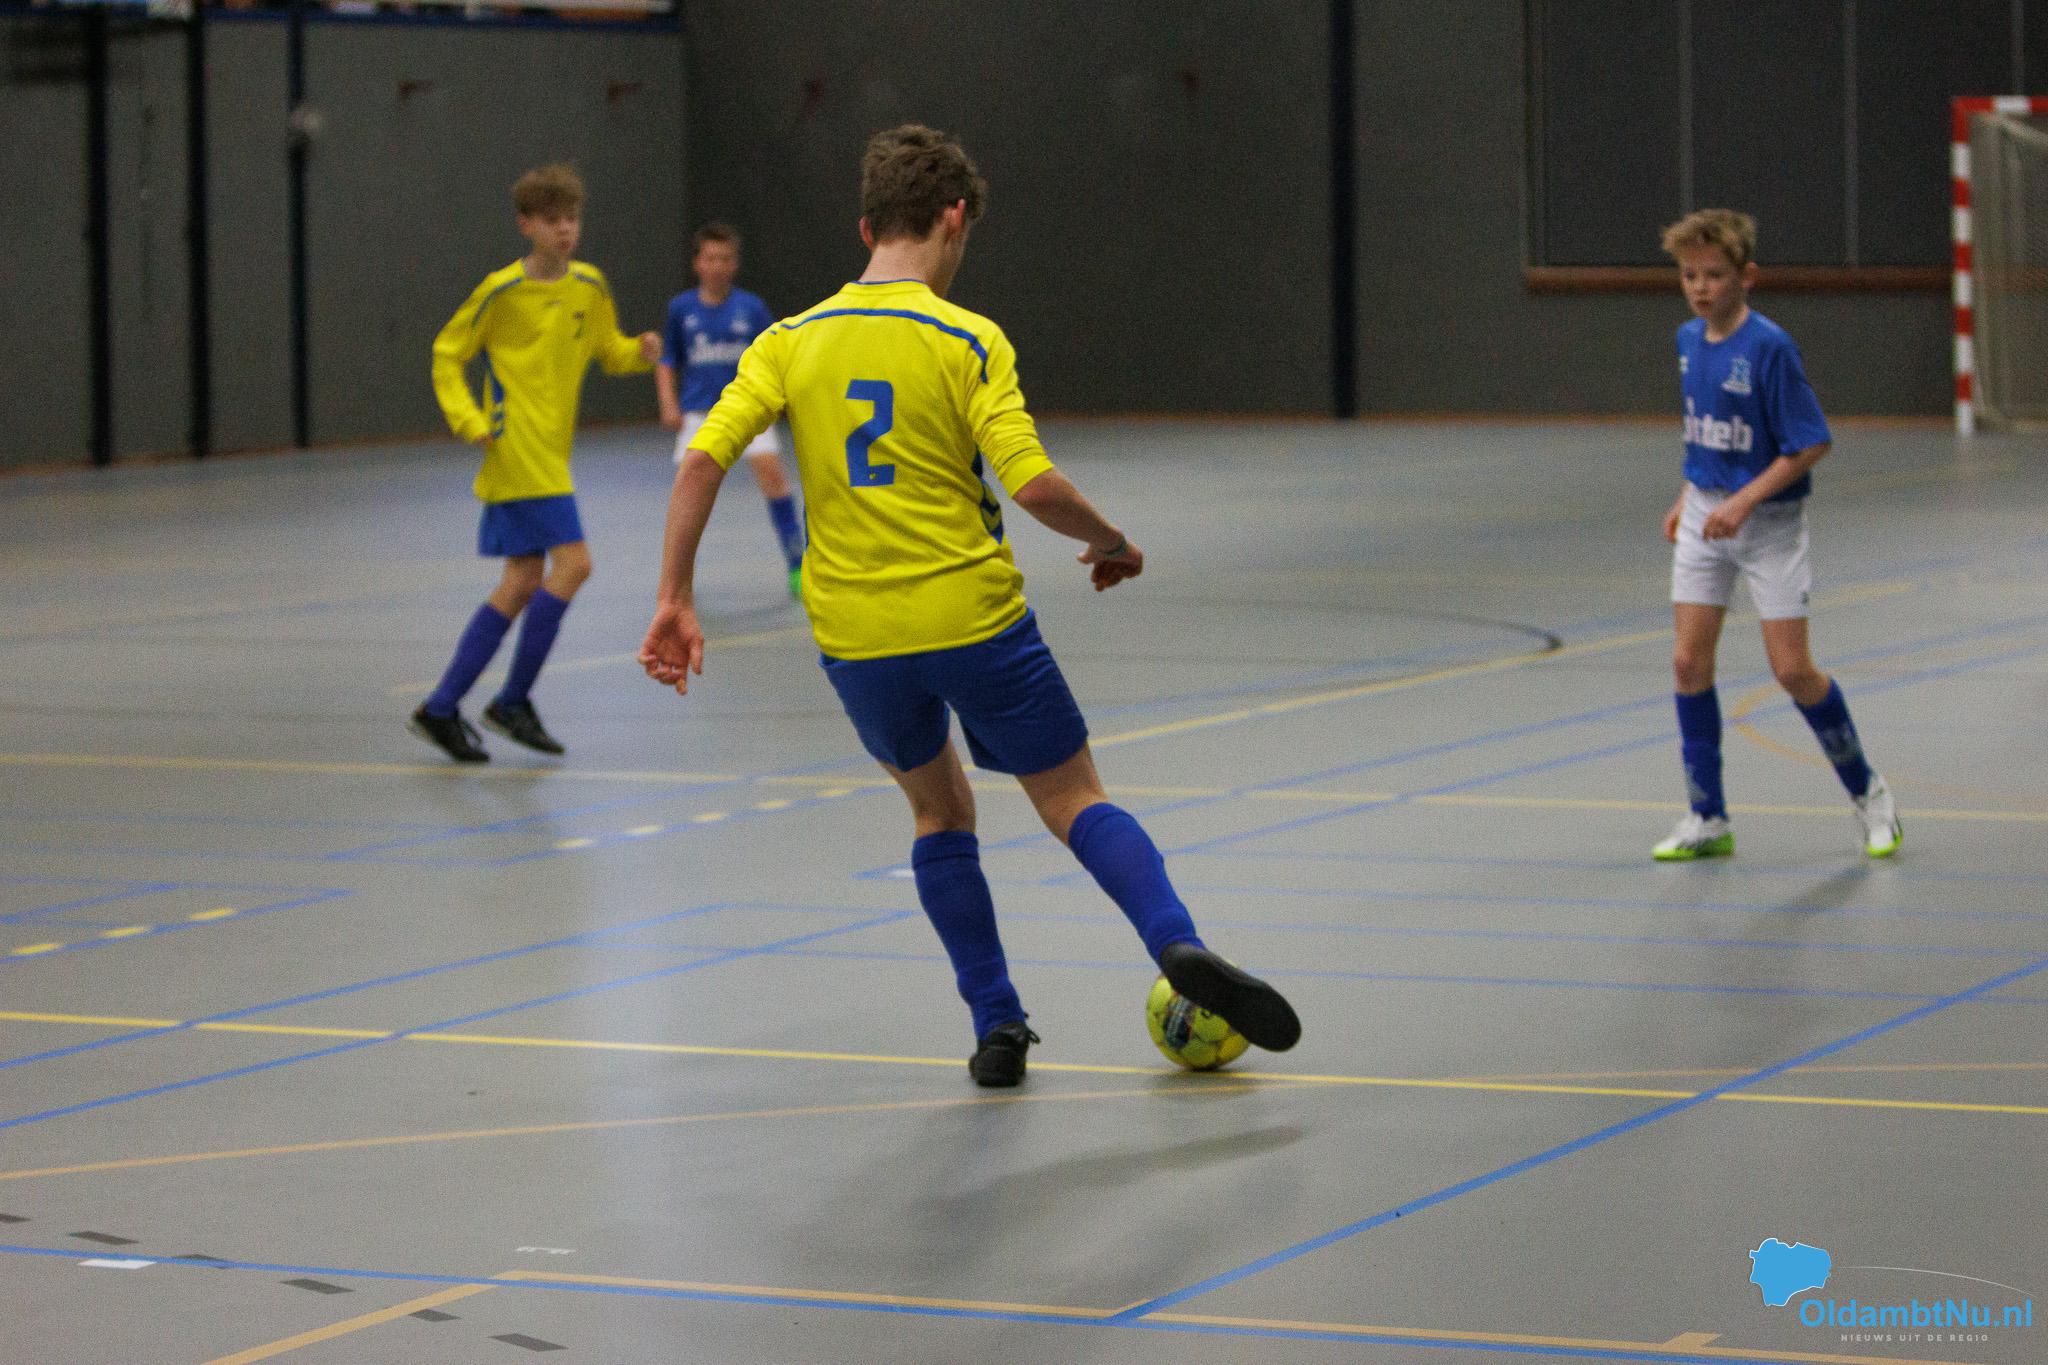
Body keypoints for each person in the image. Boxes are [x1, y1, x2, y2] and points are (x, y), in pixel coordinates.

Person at [639, 125, 1301, 1085]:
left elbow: (703, 458)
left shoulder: (788, 340)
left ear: (866, 227)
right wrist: (1110, 541)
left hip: (856, 635)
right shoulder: (969, 338)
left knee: (938, 812)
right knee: (1072, 798)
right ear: (955, 218)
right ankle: (1175, 941)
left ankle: (997, 1026)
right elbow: (1033, 485)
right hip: (973, 617)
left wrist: (674, 595)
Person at [1653, 208, 1901, 860]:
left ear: (1747, 276)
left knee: (1791, 669)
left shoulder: (1769, 348)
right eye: (1689, 275)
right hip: (1707, 515)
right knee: (1687, 662)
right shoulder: (1687, 341)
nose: (1700, 287)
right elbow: (1705, 434)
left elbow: (1810, 443)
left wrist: (1743, 501)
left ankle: (1869, 792)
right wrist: (1689, 495)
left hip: (1768, 525)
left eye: (1714, 275)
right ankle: (1708, 816)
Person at [414, 163, 660, 761]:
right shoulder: (500, 291)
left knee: (523, 579)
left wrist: (640, 352)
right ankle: (513, 701)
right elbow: (447, 352)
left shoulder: (589, 286)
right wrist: (468, 419)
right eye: (552, 221)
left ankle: (441, 708)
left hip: (552, 452)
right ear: (526, 225)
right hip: (516, 450)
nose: (565, 230)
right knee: (574, 565)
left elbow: (607, 350)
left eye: (572, 219)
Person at [656, 223, 805, 599]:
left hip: (748, 408)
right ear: (697, 263)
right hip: (700, 414)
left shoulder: (751, 308)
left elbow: (776, 355)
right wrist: (669, 403)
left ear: (734, 264)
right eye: (710, 258)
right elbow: (668, 360)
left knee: (773, 477)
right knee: (689, 491)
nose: (717, 266)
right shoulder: (681, 309)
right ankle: (678, 581)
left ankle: (797, 565)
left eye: (725, 259)